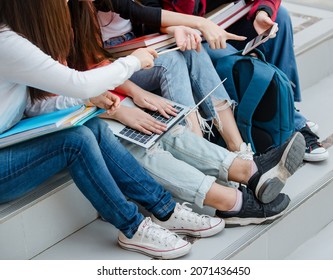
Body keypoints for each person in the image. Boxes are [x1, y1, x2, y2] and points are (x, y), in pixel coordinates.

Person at [26, 0, 306, 230]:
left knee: (162, 125)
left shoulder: (74, 8)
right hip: (59, 115)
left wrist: (122, 96)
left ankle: (246, 167)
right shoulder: (27, 29)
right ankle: (228, 199)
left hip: (92, 88)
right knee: (130, 138)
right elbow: (56, 91)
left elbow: (89, 63)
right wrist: (116, 105)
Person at [0, 0, 229, 260]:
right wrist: (130, 63)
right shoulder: (6, 43)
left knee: (94, 127)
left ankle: (165, 209)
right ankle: (132, 227)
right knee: (76, 141)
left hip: (9, 142)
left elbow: (35, 104)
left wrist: (86, 100)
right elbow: (80, 83)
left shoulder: (15, 36)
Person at [142, 0, 329, 162]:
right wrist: (199, 25)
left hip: (224, 20)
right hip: (184, 36)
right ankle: (290, 123)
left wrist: (263, 12)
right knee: (227, 55)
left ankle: (286, 109)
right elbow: (149, 16)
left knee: (279, 16)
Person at [92, 0, 256, 155]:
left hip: (140, 44)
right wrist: (201, 23)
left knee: (194, 51)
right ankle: (204, 154)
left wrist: (173, 29)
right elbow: (136, 11)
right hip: (110, 59)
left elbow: (149, 16)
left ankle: (239, 149)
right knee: (172, 62)